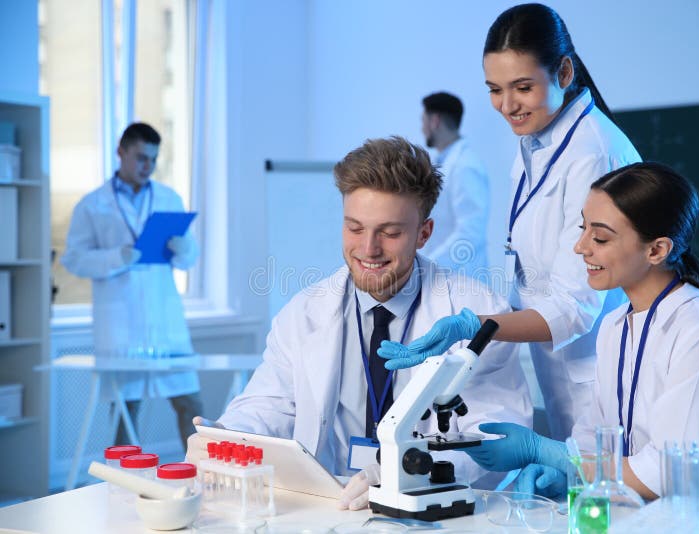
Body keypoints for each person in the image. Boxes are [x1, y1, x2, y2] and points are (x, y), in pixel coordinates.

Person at [185, 136, 532, 510]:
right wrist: (228, 434)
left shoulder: (477, 312)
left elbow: (493, 429)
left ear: (424, 233)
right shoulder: (302, 315)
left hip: (438, 511)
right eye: (355, 228)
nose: (368, 249)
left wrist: (402, 472)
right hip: (335, 507)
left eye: (390, 232)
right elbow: (271, 405)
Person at [458, 163, 699, 513]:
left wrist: (546, 451)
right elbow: (595, 434)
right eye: (582, 228)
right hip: (660, 512)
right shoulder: (616, 325)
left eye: (600, 237)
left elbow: (671, 471)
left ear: (656, 251)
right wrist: (566, 471)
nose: (580, 247)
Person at [380, 3, 640, 441]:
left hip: (600, 372)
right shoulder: (536, 143)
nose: (506, 106)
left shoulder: (593, 153)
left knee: (614, 493)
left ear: (563, 72)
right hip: (562, 368)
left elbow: (574, 306)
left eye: (521, 87)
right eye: (494, 89)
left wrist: (477, 326)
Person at [62, 122, 201, 448]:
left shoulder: (169, 197)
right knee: (127, 409)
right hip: (122, 326)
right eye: (140, 157)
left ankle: (205, 477)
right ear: (120, 152)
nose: (147, 166)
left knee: (190, 406)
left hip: (164, 323)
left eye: (152, 159)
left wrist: (184, 248)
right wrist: (115, 257)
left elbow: (189, 258)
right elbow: (74, 259)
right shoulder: (92, 205)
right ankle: (123, 489)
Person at [419, 92, 490, 276]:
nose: (422, 129)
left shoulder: (465, 166)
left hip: (462, 280)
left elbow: (471, 232)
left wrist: (428, 267)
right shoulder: (443, 162)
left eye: (423, 121)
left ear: (435, 121)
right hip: (442, 277)